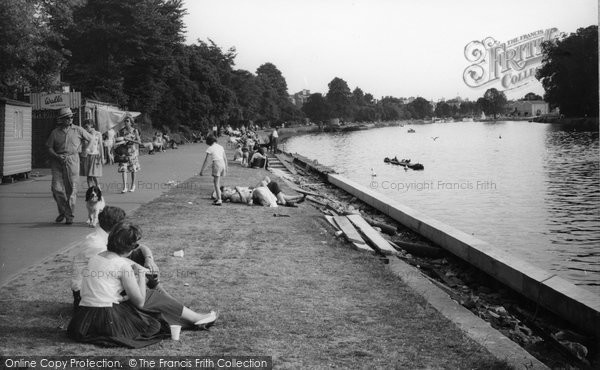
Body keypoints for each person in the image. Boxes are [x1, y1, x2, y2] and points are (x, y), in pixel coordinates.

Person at [67, 222, 218, 348]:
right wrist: (140, 274)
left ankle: (192, 318)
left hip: (85, 317)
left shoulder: (96, 257)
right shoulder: (121, 265)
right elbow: (139, 301)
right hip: (107, 318)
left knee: (147, 303)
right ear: (130, 248)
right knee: (150, 297)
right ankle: (195, 317)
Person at [70, 206, 165, 308]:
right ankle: (163, 298)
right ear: (117, 226)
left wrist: (149, 259)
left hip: (98, 288)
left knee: (137, 255)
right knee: (140, 280)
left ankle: (163, 296)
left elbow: (140, 247)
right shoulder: (96, 244)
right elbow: (127, 264)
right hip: (88, 297)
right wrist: (147, 273)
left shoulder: (106, 236)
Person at [46, 107, 93, 224]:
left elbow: (91, 138)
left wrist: (85, 150)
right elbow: (49, 147)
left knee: (71, 190)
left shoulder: (78, 130)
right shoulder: (55, 132)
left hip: (73, 160)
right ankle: (63, 211)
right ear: (61, 119)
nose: (70, 119)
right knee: (56, 188)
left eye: (71, 117)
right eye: (67, 117)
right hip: (57, 161)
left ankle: (69, 216)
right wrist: (56, 155)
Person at [114, 115, 142, 193]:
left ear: (131, 122)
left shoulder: (135, 131)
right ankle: (125, 187)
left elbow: (139, 142)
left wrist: (128, 139)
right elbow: (119, 140)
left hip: (132, 151)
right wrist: (119, 142)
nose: (126, 122)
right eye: (125, 121)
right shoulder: (122, 131)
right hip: (123, 151)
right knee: (123, 169)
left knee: (133, 169)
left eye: (127, 121)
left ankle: (133, 185)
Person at [199, 135, 228, 206]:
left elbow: (206, 160)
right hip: (222, 164)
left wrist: (202, 170)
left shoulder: (210, 148)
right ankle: (218, 198)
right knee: (217, 181)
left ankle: (219, 199)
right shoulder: (220, 147)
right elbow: (225, 158)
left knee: (216, 183)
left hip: (217, 164)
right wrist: (226, 167)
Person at [80, 120, 104, 188]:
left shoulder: (98, 133)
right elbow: (82, 145)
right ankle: (90, 190)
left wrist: (102, 157)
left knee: (94, 175)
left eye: (87, 126)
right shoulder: (84, 134)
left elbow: (100, 146)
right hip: (87, 156)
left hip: (95, 156)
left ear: (91, 125)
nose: (85, 128)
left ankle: (98, 188)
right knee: (88, 175)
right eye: (84, 127)